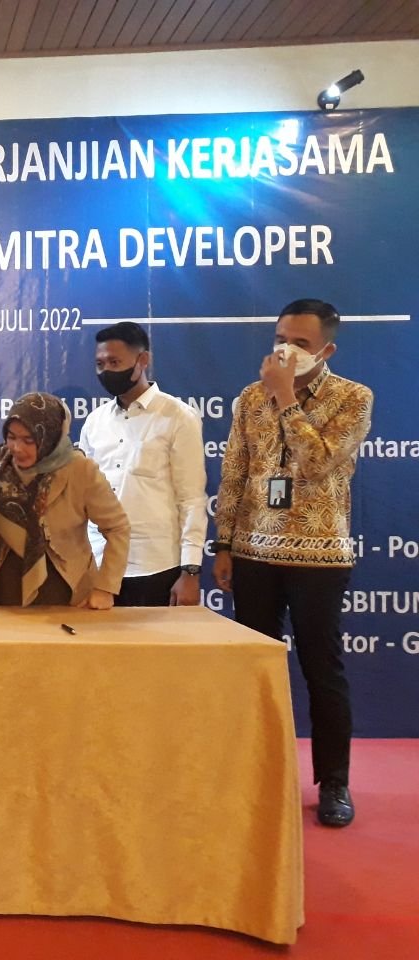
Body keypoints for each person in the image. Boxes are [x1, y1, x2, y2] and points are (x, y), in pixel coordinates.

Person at [213, 298, 373, 828]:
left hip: (318, 554)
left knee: (321, 669)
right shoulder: (248, 398)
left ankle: (334, 782)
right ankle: (258, 771)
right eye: (281, 338)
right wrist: (224, 544)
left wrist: (285, 398)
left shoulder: (353, 397)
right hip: (253, 553)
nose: (286, 350)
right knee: (256, 669)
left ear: (326, 350)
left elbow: (320, 462)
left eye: (300, 343)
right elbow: (234, 473)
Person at [0, 392, 129, 610]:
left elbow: (117, 528)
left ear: (49, 437)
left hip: (68, 587)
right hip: (8, 586)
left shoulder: (80, 469)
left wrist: (105, 588)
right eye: (11, 437)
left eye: (28, 440)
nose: (17, 448)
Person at [79, 321, 208, 606]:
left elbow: (191, 500)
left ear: (143, 360)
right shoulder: (94, 422)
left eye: (115, 362)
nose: (106, 371)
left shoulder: (178, 417)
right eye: (100, 364)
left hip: (156, 567)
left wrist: (190, 570)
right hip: (99, 565)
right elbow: (83, 497)